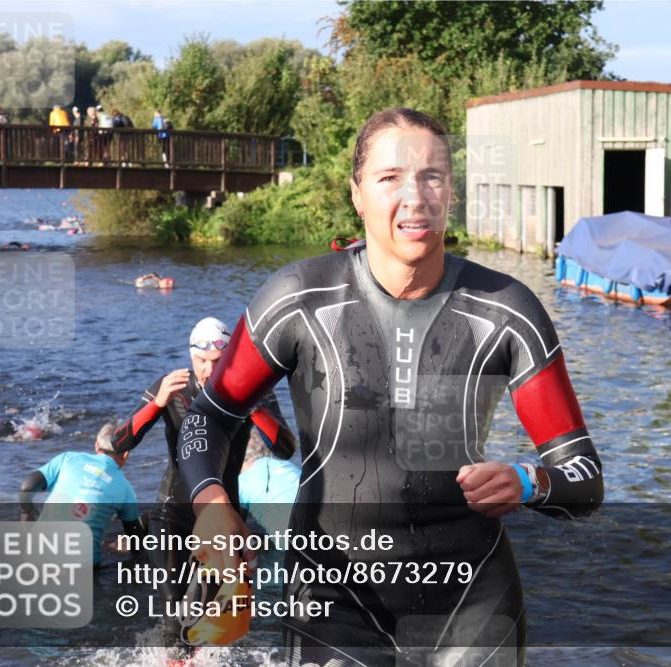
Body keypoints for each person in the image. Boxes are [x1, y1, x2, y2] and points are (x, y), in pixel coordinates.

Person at [175, 107, 604, 665]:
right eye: (389, 178)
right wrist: (212, 504)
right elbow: (211, 416)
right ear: (357, 193)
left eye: (432, 176)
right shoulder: (298, 299)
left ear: (452, 191)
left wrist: (528, 481)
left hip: (472, 601)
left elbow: (585, 480)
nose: (415, 196)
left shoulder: (507, 310)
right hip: (334, 597)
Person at [111, 316, 296, 659]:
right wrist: (156, 403)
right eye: (201, 362)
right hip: (172, 512)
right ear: (190, 357)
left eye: (217, 362)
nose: (209, 370)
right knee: (174, 609)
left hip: (224, 517)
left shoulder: (250, 389)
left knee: (217, 615)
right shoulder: (173, 387)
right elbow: (119, 443)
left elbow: (285, 448)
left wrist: (256, 411)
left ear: (229, 358)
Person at [19, 422, 145, 566]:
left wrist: (26, 513)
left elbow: (26, 487)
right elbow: (136, 542)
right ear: (126, 454)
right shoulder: (125, 488)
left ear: (96, 445)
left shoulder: (67, 459)